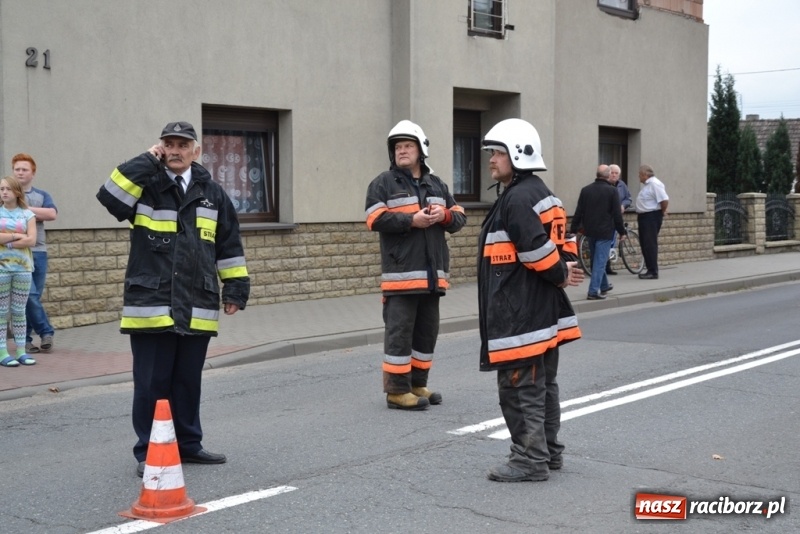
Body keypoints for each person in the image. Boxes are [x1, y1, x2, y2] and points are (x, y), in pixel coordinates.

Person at [97, 121, 250, 477]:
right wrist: (145, 161)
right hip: (151, 305)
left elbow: (229, 246)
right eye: (169, 143)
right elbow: (108, 196)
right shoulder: (145, 186)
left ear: (196, 151)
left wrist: (236, 289)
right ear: (160, 147)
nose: (176, 150)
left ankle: (188, 444)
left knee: (187, 381)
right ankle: (148, 451)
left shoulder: (213, 193)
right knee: (152, 383)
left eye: (183, 144)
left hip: (197, 302)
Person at [477, 118, 584, 482]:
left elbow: (537, 252)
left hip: (521, 313)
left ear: (518, 155)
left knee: (520, 388)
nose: (491, 159)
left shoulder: (519, 198)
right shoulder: (542, 194)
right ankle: (548, 452)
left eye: (498, 152)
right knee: (542, 386)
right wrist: (565, 270)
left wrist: (557, 272)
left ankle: (529, 460)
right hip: (542, 311)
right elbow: (564, 246)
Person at [365, 120, 466, 410]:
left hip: (433, 277)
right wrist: (412, 220)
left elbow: (459, 219)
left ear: (421, 150)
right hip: (401, 277)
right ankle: (397, 391)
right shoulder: (382, 183)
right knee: (399, 334)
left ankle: (418, 384)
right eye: (397, 147)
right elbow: (374, 219)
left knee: (426, 333)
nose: (402, 151)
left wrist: (443, 215)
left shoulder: (437, 184)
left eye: (408, 145)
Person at [11, 154, 57, 354]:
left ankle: (26, 341)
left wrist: (24, 209)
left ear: (33, 173)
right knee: (29, 295)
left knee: (33, 296)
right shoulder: (7, 194)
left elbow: (52, 214)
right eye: (17, 169)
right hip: (17, 253)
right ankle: (46, 331)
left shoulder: (42, 195)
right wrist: (35, 213)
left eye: (24, 169)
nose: (20, 172)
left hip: (39, 252)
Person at [570, 165, 627, 300]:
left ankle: (605, 285)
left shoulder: (586, 190)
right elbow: (617, 215)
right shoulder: (612, 191)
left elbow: (579, 212)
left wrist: (573, 229)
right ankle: (593, 291)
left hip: (590, 231)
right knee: (600, 262)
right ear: (607, 176)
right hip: (605, 232)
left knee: (598, 260)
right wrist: (622, 231)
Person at [0, 176, 37, 367]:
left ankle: (21, 351)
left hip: (23, 268)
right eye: (1, 189)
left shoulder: (27, 214)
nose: (4, 192)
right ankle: (2, 352)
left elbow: (31, 240)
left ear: (16, 191)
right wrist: (16, 235)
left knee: (19, 311)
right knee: (1, 312)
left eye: (8, 189)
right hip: (1, 269)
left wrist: (6, 240)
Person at [635, 164, 669, 279]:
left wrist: (662, 211)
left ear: (645, 175)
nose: (639, 177)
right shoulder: (648, 185)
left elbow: (664, 199)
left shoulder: (655, 184)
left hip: (651, 217)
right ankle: (650, 269)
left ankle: (653, 271)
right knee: (645, 244)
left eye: (640, 174)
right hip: (645, 217)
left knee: (650, 244)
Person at [604, 164, 631, 275]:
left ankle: (608, 266)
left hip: (617, 217)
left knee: (612, 243)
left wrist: (623, 206)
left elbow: (628, 198)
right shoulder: (605, 184)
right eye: (612, 172)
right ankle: (603, 266)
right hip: (606, 218)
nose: (614, 175)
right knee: (606, 242)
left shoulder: (622, 185)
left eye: (616, 173)